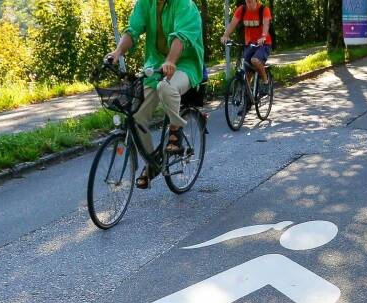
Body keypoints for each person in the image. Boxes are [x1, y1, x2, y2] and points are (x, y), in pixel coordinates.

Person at [106, 0, 205, 189]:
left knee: (166, 87)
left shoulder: (184, 4)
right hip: (155, 65)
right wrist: (118, 52)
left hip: (184, 64)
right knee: (136, 117)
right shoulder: (145, 3)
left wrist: (170, 61)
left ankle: (176, 130)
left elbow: (181, 37)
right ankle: (152, 165)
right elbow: (132, 30)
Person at [221, 0, 272, 89]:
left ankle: (265, 82)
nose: (249, 2)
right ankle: (247, 97)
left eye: (251, 1)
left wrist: (263, 36)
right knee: (247, 72)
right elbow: (233, 23)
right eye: (247, 1)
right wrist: (225, 35)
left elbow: (266, 25)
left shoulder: (264, 10)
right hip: (249, 44)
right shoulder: (242, 9)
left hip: (264, 44)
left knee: (255, 60)